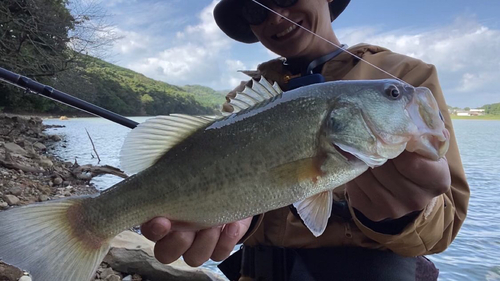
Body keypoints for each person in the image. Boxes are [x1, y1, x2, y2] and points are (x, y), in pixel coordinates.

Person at [140, 0, 470, 280]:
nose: (274, 16)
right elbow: (251, 190)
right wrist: (230, 213)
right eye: (255, 10)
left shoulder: (401, 76)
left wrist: (405, 215)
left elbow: (445, 225)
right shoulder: (244, 97)